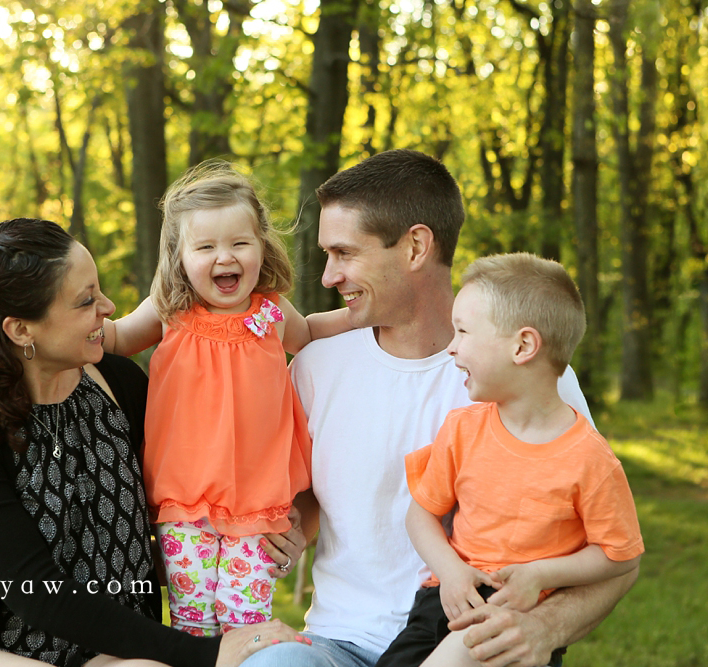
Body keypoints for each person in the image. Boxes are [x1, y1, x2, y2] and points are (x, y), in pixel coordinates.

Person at [241, 149, 639, 667]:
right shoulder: (316, 367)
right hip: (339, 643)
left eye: (344, 253)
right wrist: (289, 528)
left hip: (473, 640)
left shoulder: (533, 381)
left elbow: (619, 559)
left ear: (415, 247)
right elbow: (313, 507)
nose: (327, 276)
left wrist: (543, 628)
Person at [0, 218, 306, 667]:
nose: (109, 307)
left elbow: (198, 485)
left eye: (99, 290)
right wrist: (205, 654)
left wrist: (257, 532)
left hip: (119, 648)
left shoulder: (122, 385)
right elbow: (37, 592)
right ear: (21, 330)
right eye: (85, 302)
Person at [101, 162, 351, 637]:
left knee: (245, 623)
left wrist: (362, 314)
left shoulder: (271, 310)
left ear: (261, 245)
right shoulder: (169, 309)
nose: (225, 257)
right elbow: (114, 338)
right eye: (205, 246)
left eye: (239, 243)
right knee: (194, 621)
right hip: (183, 498)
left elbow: (311, 333)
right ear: (179, 254)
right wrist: (67, 316)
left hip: (258, 500)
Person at [375, 252, 644, 667]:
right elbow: (420, 515)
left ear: (523, 346)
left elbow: (620, 554)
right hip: (444, 602)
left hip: (517, 617)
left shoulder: (590, 459)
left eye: (463, 332)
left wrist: (542, 575)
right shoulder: (463, 429)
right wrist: (450, 571)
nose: (451, 347)